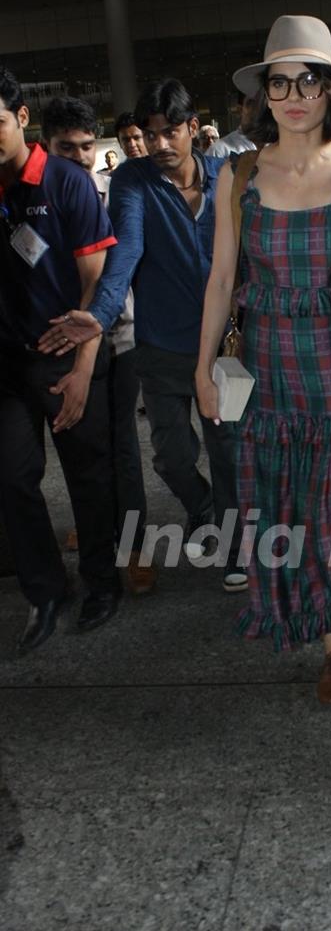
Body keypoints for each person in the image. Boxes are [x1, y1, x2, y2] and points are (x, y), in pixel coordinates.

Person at [195, 15, 331, 707]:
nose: (293, 95)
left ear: (330, 92)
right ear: (264, 93)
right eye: (279, 82)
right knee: (288, 515)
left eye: (307, 80)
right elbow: (222, 279)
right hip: (271, 377)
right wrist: (203, 366)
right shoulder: (239, 174)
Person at [38, 79, 248, 594]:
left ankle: (236, 544)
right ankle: (203, 510)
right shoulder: (134, 181)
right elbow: (124, 253)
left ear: (193, 130)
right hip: (161, 350)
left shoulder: (228, 177)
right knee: (172, 456)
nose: (158, 145)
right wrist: (101, 314)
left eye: (170, 132)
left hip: (229, 350)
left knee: (231, 451)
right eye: (150, 134)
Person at [0, 68, 122, 651]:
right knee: (12, 479)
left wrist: (80, 370)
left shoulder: (66, 183)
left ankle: (102, 580)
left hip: (66, 354)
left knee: (88, 474)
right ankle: (45, 589)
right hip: (5, 364)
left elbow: (96, 287)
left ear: (23, 118)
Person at [40, 97, 151, 594]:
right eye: (68, 147)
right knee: (87, 449)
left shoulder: (115, 188)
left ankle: (135, 547)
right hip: (62, 338)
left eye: (88, 146)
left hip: (118, 334)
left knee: (123, 445)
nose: (81, 157)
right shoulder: (34, 193)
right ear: (46, 143)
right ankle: (97, 534)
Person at [207, 91, 256, 158]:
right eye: (253, 103)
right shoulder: (218, 151)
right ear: (240, 110)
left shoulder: (274, 148)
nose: (261, 109)